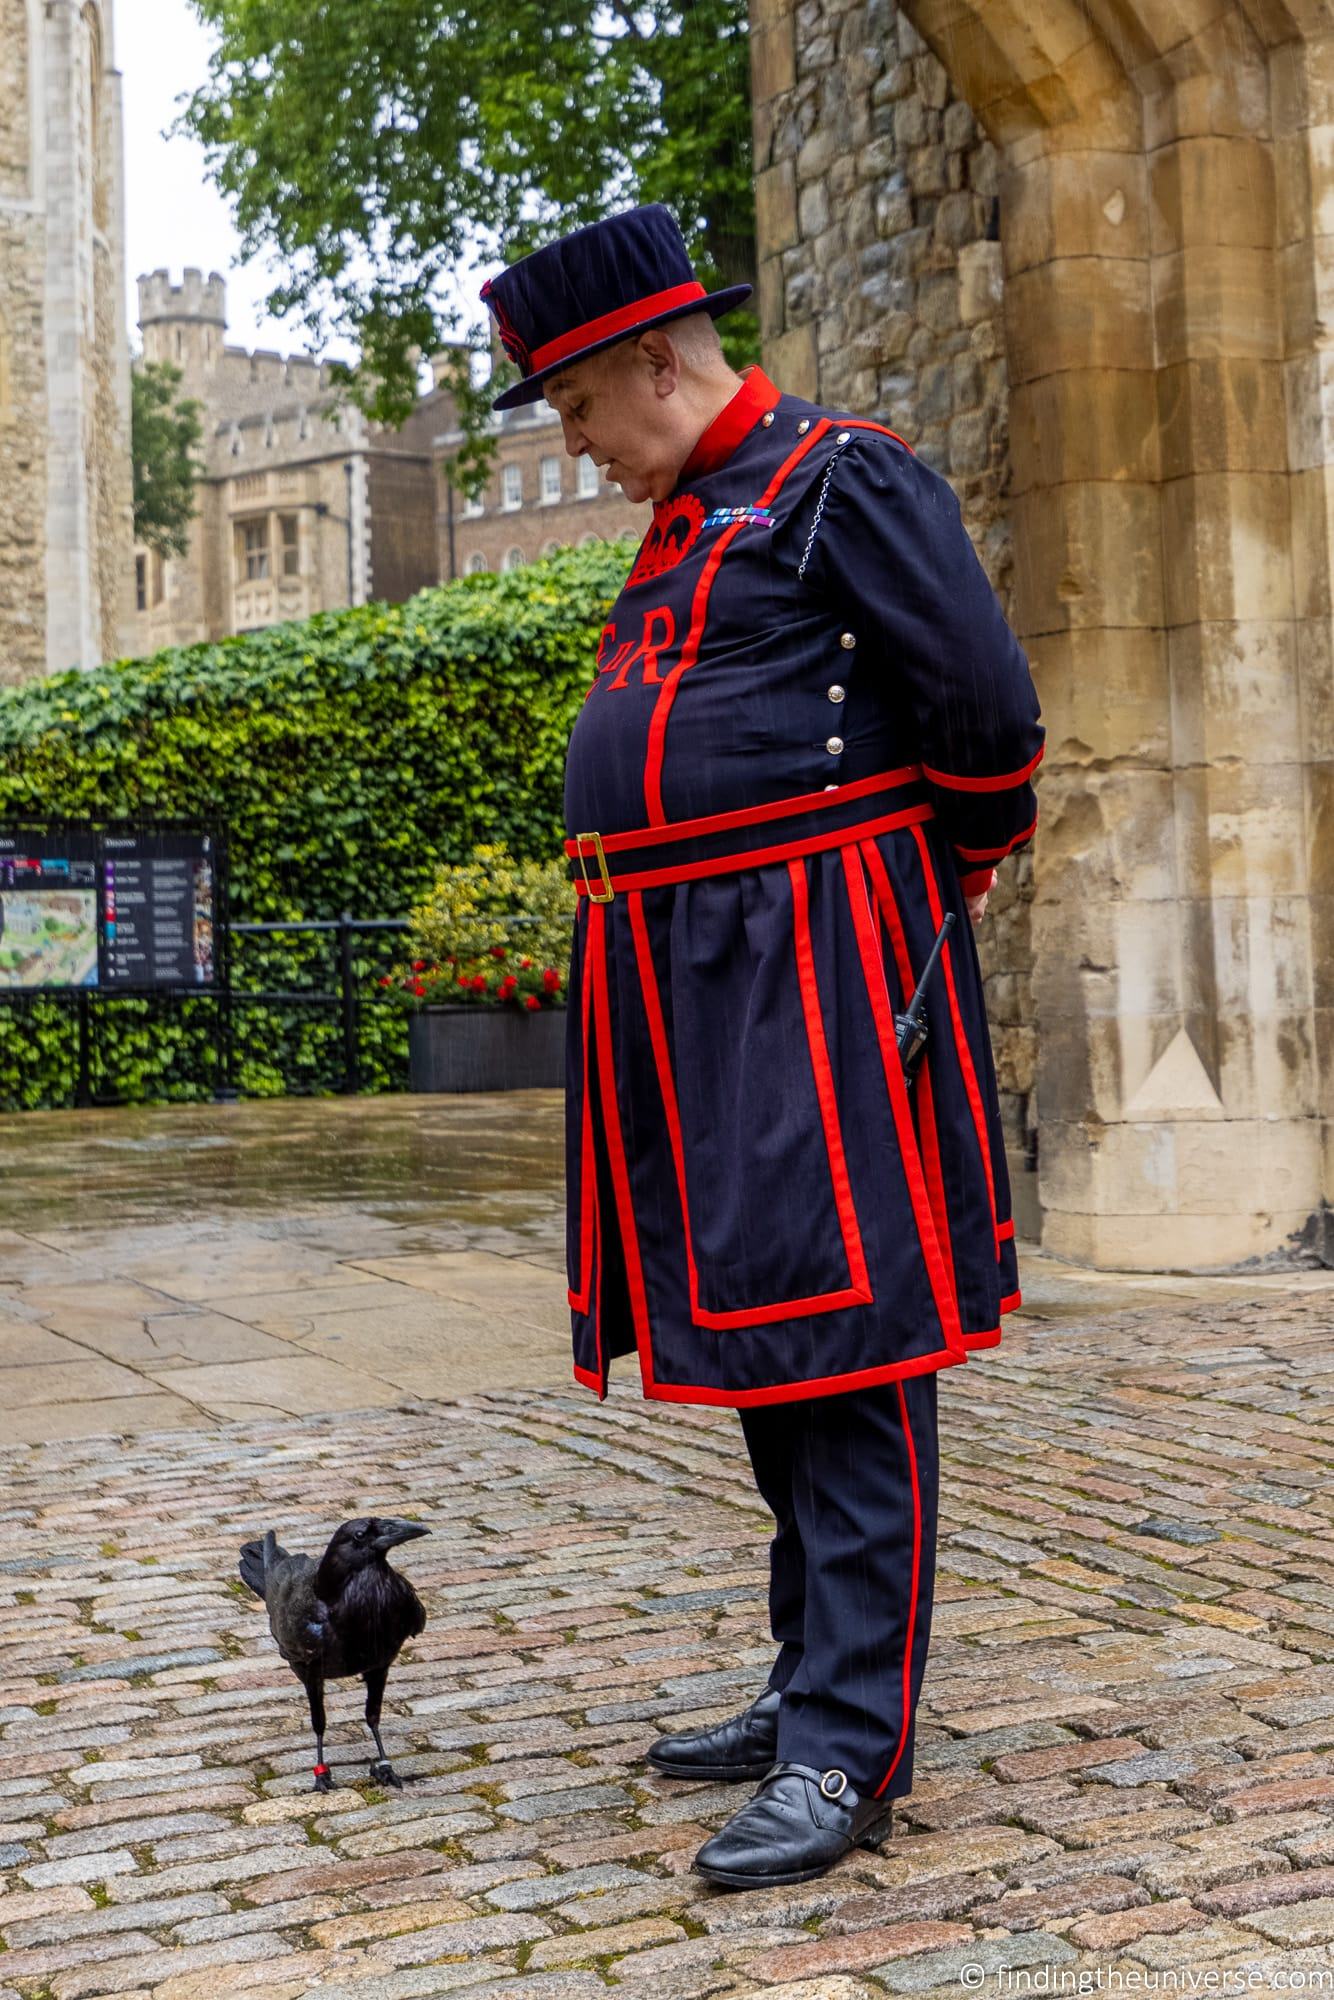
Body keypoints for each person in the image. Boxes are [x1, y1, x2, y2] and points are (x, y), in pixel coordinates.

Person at [480, 204, 1044, 1891]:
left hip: (807, 975)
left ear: (658, 360)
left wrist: (878, 903)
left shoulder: (843, 477)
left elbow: (987, 720)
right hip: (688, 986)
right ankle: (808, 1679)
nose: (572, 440)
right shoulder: (692, 516)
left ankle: (847, 1750)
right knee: (754, 1335)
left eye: (577, 404)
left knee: (843, 1348)